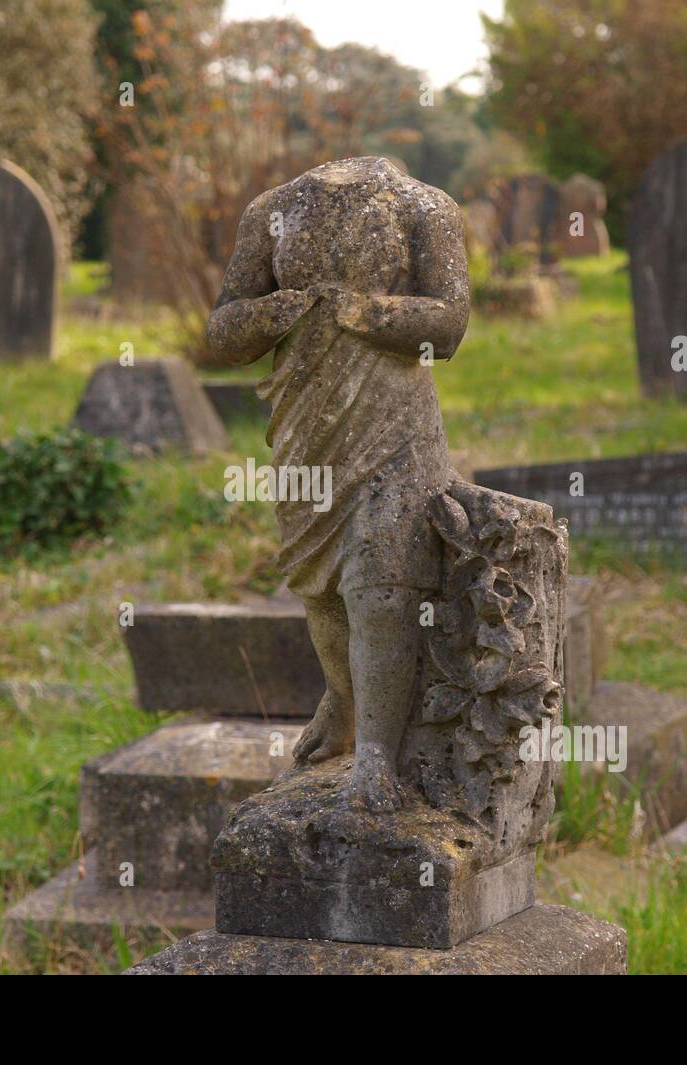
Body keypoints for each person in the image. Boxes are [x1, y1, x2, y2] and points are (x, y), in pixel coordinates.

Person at [206, 157, 470, 811]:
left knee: (379, 580)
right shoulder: (273, 208)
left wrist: (363, 312)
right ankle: (344, 707)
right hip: (306, 423)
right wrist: (272, 313)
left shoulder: (425, 205)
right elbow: (222, 329)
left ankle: (377, 761)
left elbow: (449, 325)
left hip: (392, 423)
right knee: (321, 590)